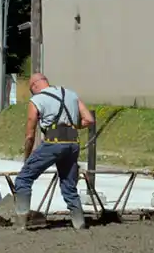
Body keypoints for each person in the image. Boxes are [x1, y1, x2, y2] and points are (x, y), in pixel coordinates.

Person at [12, 73, 94, 230]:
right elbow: (89, 119)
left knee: (23, 179)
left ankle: (20, 223)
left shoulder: (37, 100)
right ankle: (79, 223)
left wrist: (27, 157)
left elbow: (30, 134)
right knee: (69, 186)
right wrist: (71, 127)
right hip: (73, 144)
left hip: (53, 143)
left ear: (34, 86)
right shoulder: (71, 94)